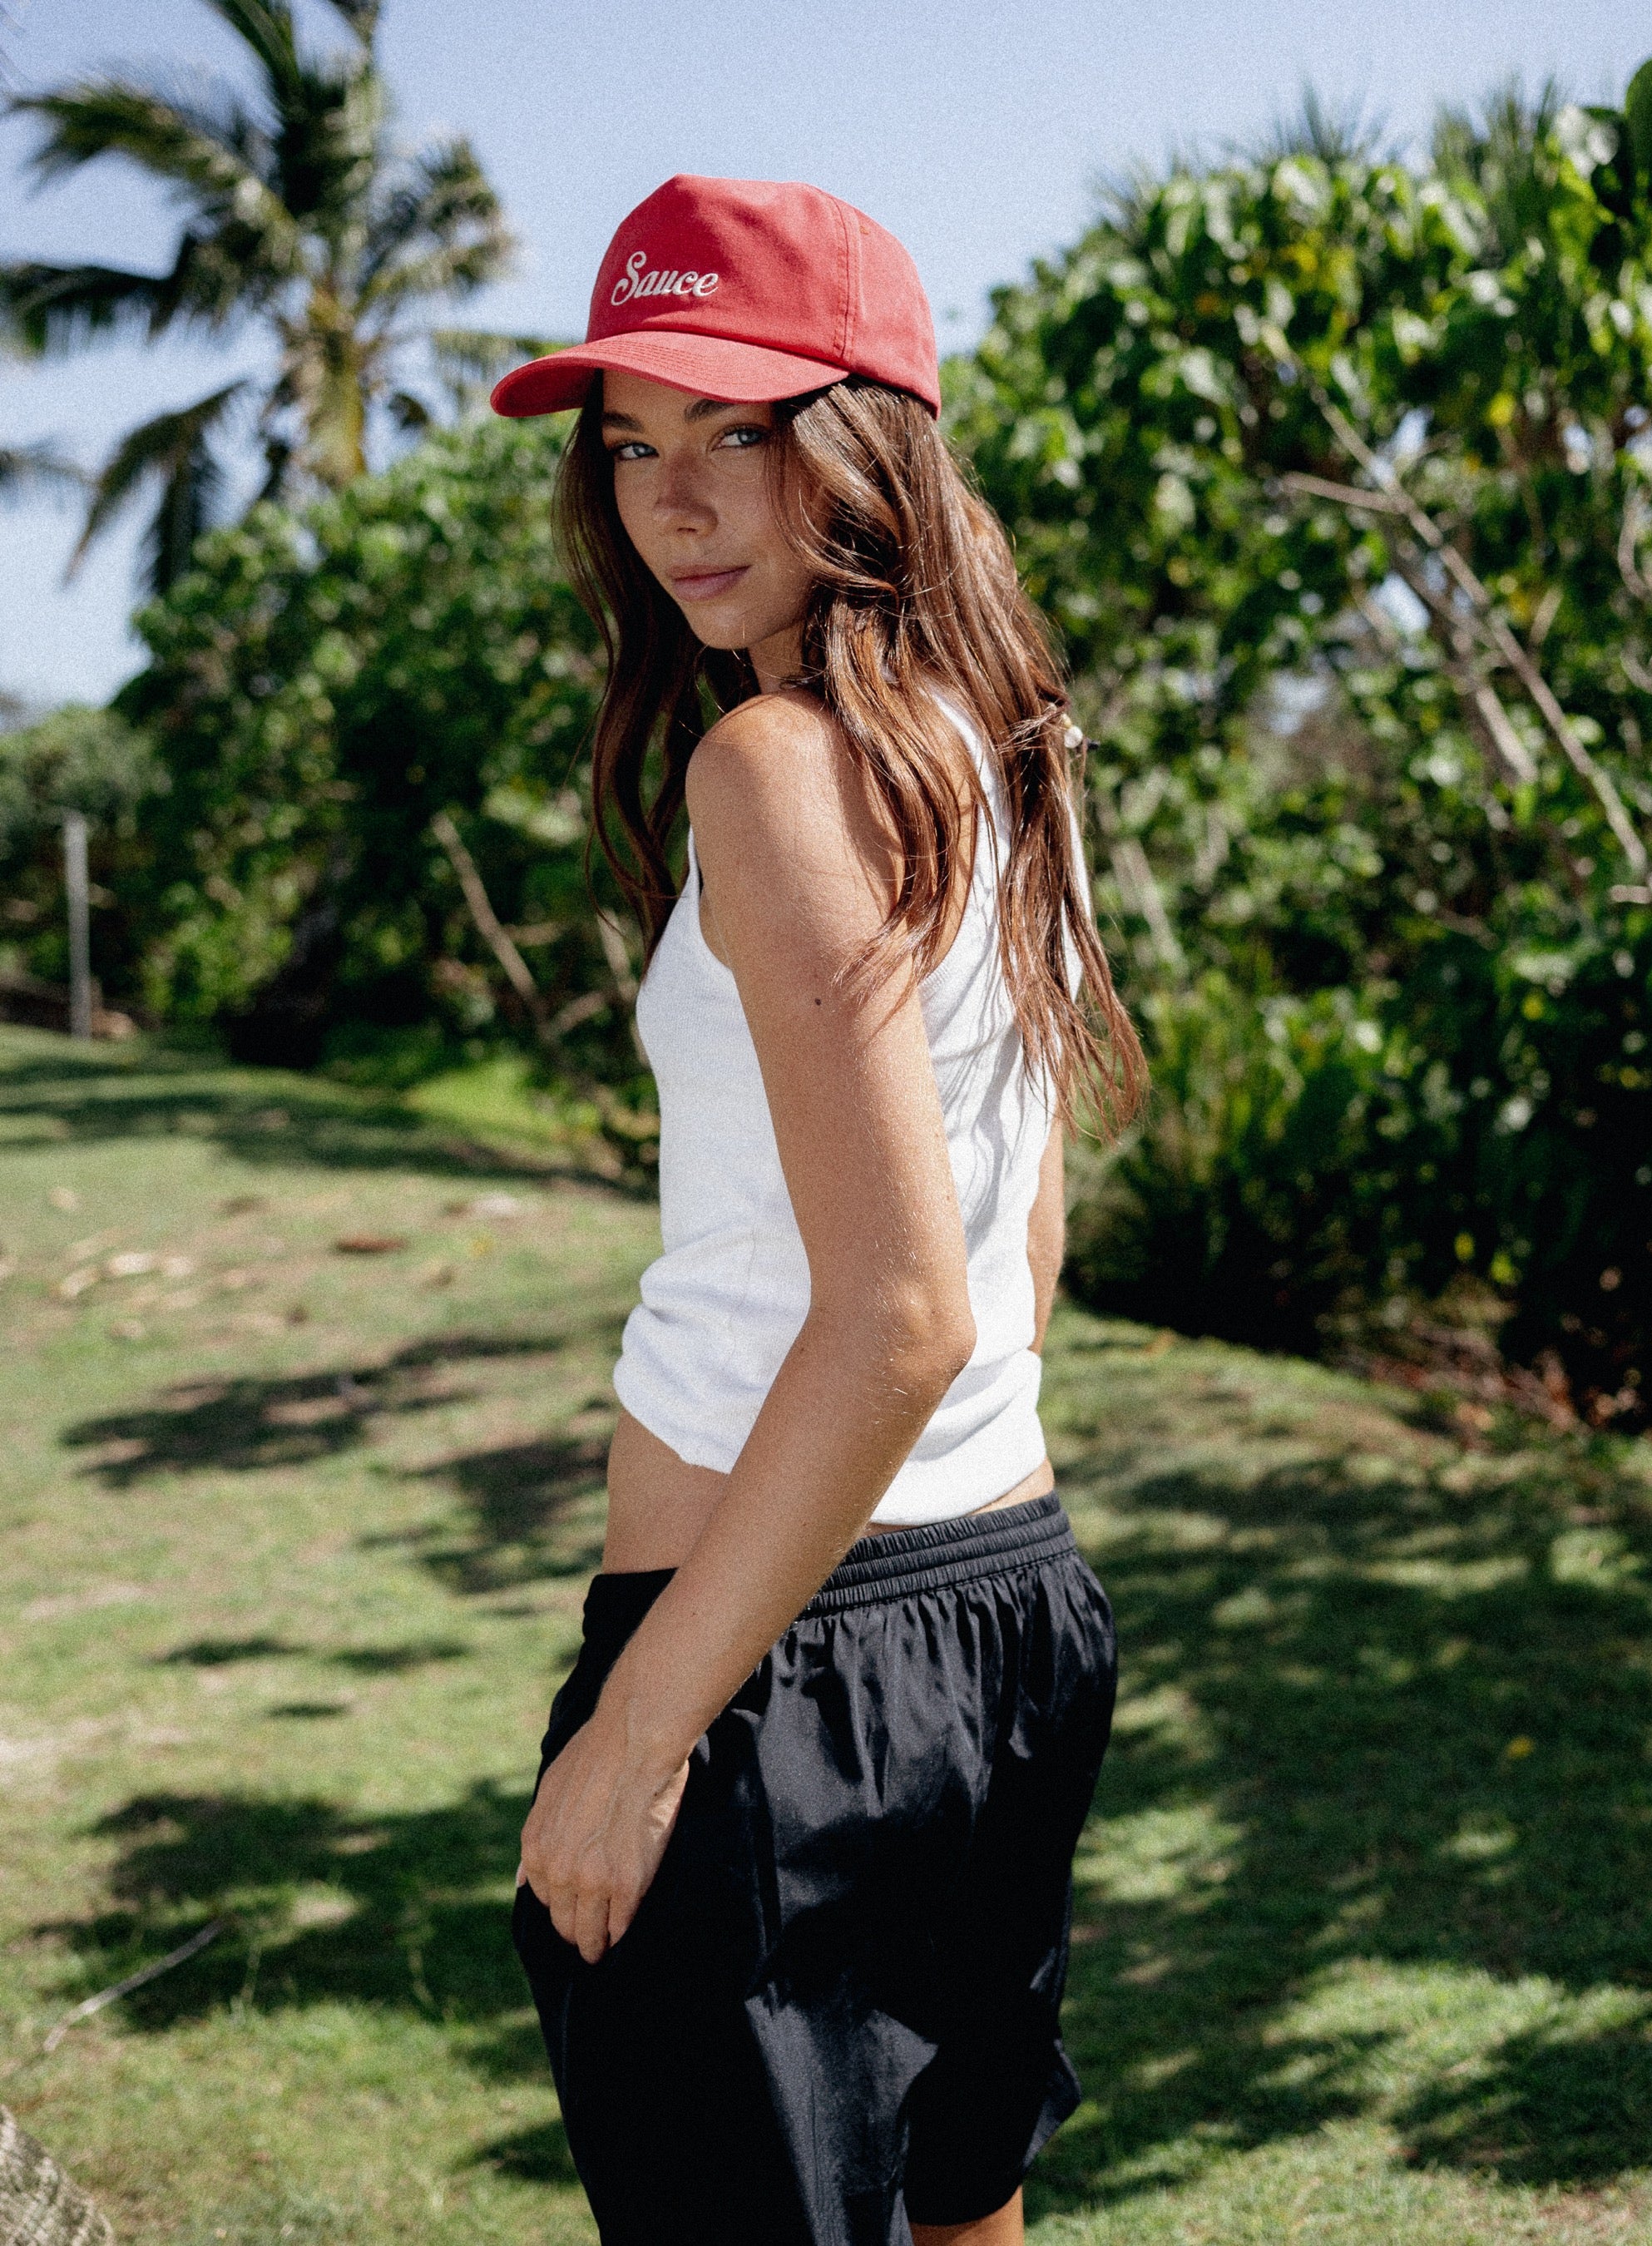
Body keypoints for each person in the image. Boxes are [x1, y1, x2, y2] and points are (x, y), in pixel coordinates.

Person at [491, 174, 1145, 2246]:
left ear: (868, 441)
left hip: (767, 1679)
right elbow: (1016, 1244)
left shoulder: (774, 771)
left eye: (736, 433)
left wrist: (636, 1733)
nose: (673, 503)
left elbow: (899, 1311)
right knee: (968, 2216)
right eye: (632, 445)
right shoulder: (1007, 753)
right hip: (1002, 1609)